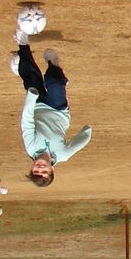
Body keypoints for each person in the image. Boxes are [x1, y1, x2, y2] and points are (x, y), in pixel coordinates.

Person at [16, 32, 91, 186]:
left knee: (30, 77)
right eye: (45, 172)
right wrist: (87, 130)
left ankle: (23, 43)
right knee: (55, 82)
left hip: (37, 105)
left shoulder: (31, 148)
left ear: (32, 168)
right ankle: (53, 64)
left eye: (36, 171)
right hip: (58, 110)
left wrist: (31, 98)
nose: (40, 168)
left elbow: (27, 123)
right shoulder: (62, 154)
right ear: (52, 170)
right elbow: (80, 143)